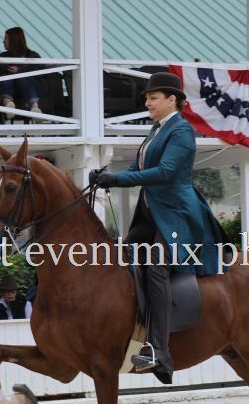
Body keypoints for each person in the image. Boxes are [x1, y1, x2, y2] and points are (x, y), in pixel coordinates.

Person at [90, 72, 228, 385]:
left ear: (172, 100)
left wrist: (118, 180)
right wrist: (106, 176)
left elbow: (165, 173)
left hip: (178, 216)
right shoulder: (156, 129)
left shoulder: (182, 130)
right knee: (120, 259)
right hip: (152, 215)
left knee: (156, 268)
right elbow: (138, 168)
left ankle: (159, 351)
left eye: (153, 98)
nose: (148, 103)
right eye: (147, 99)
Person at [0, 27, 42, 116]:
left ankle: (35, 110)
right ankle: (9, 107)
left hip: (27, 88)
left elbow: (40, 72)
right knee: (7, 79)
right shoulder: (2, 56)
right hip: (9, 88)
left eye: (6, 38)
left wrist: (20, 70)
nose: (3, 41)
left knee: (24, 78)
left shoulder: (32, 55)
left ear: (14, 39)